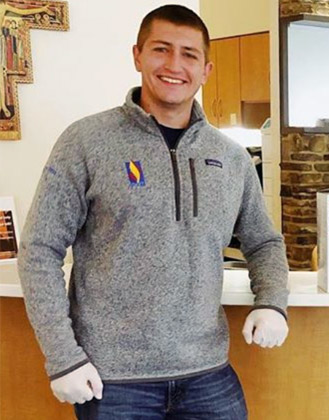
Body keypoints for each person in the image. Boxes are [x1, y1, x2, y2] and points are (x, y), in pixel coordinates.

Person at [18, 5, 288, 419]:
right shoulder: (86, 141)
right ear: (138, 55)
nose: (174, 65)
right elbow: (39, 250)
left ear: (206, 70)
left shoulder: (230, 158)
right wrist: (62, 356)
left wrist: (271, 300)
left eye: (189, 54)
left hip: (207, 374)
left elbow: (264, 241)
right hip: (113, 383)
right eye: (161, 49)